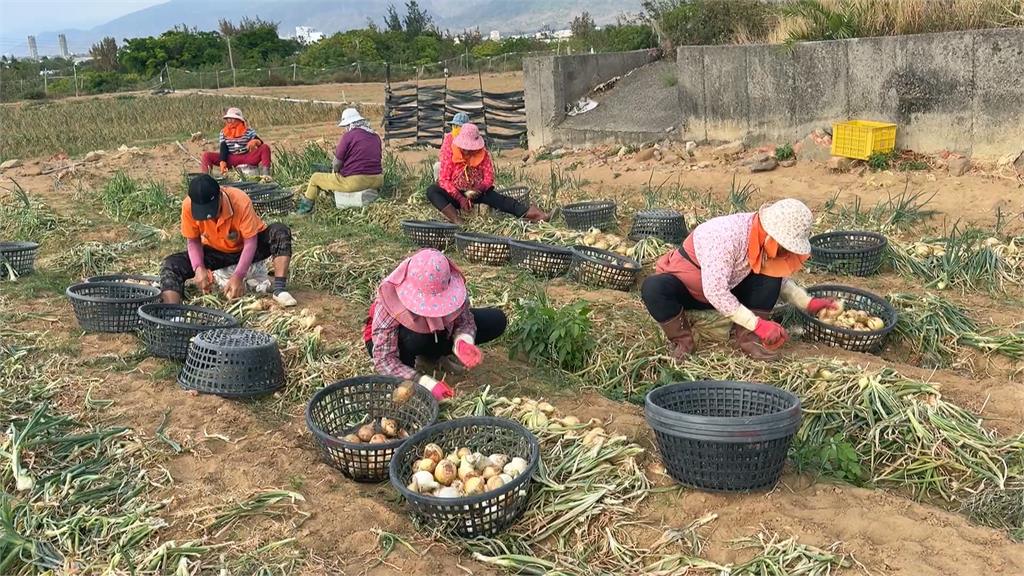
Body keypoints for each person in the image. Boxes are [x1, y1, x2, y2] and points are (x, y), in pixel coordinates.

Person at [640, 198, 838, 360]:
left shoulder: (762, 238)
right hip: (691, 290)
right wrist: (759, 324)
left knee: (769, 279)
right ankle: (683, 341)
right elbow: (715, 291)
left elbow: (777, 277)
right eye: (784, 246)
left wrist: (807, 302)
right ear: (770, 235)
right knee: (654, 287)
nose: (784, 252)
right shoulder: (725, 237)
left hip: (729, 286)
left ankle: (748, 338)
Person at [363, 248, 508, 400]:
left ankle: (433, 357)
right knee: (416, 338)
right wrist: (424, 382)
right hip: (393, 343)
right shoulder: (390, 299)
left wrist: (463, 342)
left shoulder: (450, 286)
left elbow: (465, 320)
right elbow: (384, 359)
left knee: (496, 320)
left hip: (434, 335)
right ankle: (414, 367)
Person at [160, 174, 297, 307]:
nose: (209, 218)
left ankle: (279, 290)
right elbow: (193, 241)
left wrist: (238, 276)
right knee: (171, 264)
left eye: (213, 210)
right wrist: (199, 267)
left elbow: (250, 242)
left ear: (220, 195)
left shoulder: (240, 200)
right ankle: (172, 312)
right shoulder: (188, 206)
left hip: (248, 247)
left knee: (280, 231)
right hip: (216, 251)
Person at [425, 123, 549, 224]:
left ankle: (531, 213)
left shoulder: (483, 155)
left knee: (500, 199)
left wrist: (480, 188)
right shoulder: (451, 153)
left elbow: (489, 177)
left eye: (470, 149)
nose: (467, 151)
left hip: (476, 193)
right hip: (455, 194)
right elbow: (444, 179)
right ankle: (457, 221)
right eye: (464, 148)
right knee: (432, 190)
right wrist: (460, 198)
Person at [295, 107, 383, 215]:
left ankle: (303, 212)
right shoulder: (375, 136)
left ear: (350, 124)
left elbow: (336, 164)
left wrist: (334, 170)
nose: (345, 129)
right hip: (377, 179)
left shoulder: (348, 136)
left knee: (315, 178)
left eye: (346, 126)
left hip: (357, 181)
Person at [200, 107, 272, 177]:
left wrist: (256, 141)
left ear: (239, 120)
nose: (229, 121)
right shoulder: (223, 132)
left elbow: (261, 143)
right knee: (206, 156)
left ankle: (266, 175)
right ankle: (206, 178)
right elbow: (223, 148)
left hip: (247, 157)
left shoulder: (248, 131)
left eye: (232, 119)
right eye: (228, 119)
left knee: (265, 148)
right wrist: (222, 162)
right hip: (231, 158)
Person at [433, 112, 469, 179]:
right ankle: (441, 185)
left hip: (465, 168)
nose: (456, 129)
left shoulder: (471, 139)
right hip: (450, 166)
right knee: (437, 166)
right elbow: (443, 155)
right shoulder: (449, 137)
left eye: (459, 127)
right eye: (454, 126)